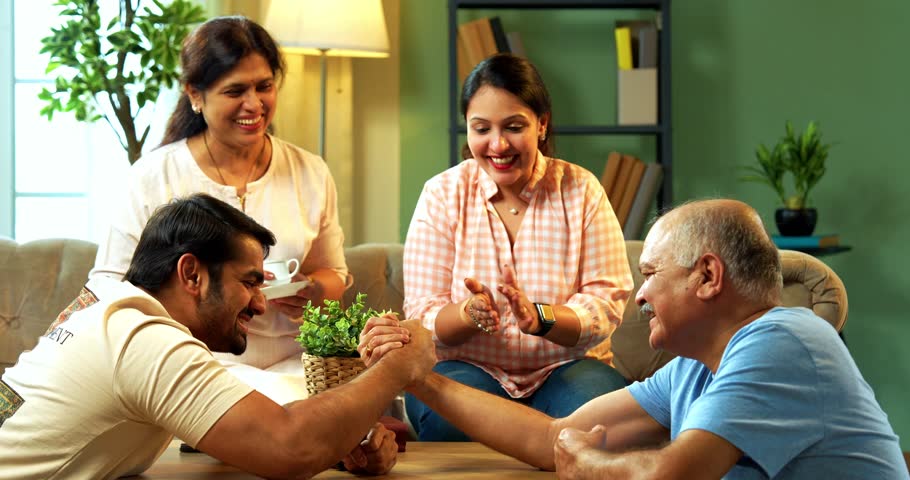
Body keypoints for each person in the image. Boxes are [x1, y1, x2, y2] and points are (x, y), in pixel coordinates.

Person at [364, 199, 908, 478]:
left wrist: (590, 466)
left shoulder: (783, 337)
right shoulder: (696, 366)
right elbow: (551, 437)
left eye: (650, 273)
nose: (639, 295)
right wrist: (422, 379)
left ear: (708, 276)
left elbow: (672, 475)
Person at [0, 194, 434, 480]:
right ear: (191, 273)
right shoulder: (143, 340)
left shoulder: (113, 312)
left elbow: (243, 426)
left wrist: (338, 445)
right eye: (249, 282)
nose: (261, 304)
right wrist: (397, 367)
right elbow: (289, 445)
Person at [90, 16, 348, 404]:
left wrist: (313, 291)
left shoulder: (310, 171)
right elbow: (110, 286)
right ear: (195, 94)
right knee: (288, 418)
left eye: (264, 86)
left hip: (296, 365)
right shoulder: (154, 175)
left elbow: (335, 274)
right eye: (235, 91)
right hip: (195, 364)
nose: (254, 104)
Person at [402, 53, 634, 441]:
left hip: (566, 368)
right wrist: (468, 313)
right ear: (468, 130)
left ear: (541, 125)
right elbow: (423, 315)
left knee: (601, 423)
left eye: (513, 127)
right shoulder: (442, 194)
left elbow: (606, 303)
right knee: (444, 418)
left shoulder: (581, 190)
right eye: (481, 129)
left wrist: (541, 318)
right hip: (468, 367)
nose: (497, 144)